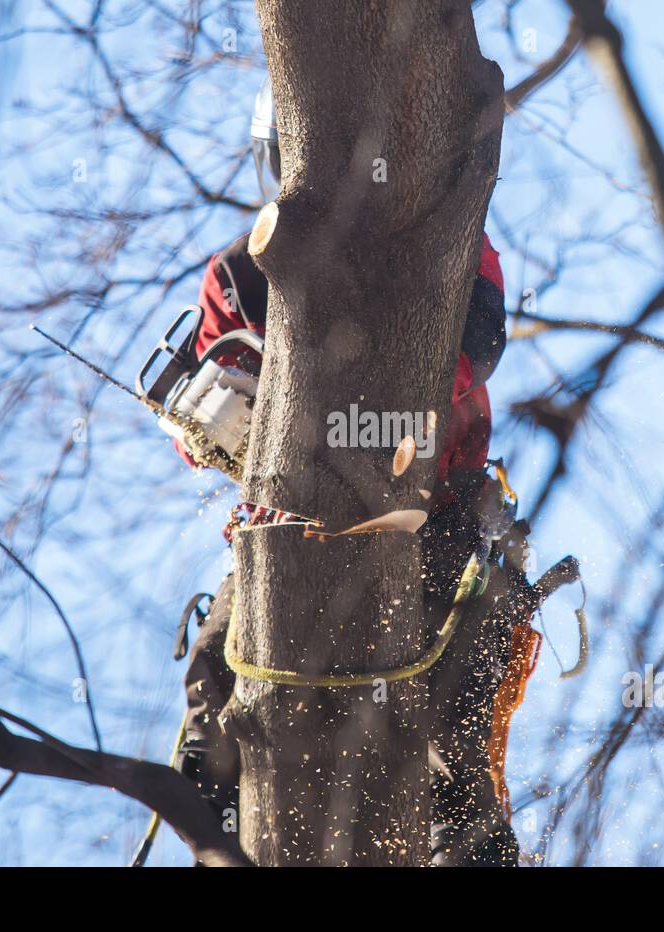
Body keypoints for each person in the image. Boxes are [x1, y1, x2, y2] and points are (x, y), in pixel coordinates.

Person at [171, 77, 523, 866]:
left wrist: (402, 402)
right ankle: (218, 822)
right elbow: (197, 404)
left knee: (456, 679)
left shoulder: (440, 238)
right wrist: (210, 424)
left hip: (433, 500)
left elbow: (481, 336)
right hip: (282, 520)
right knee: (215, 672)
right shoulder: (239, 274)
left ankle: (461, 834)